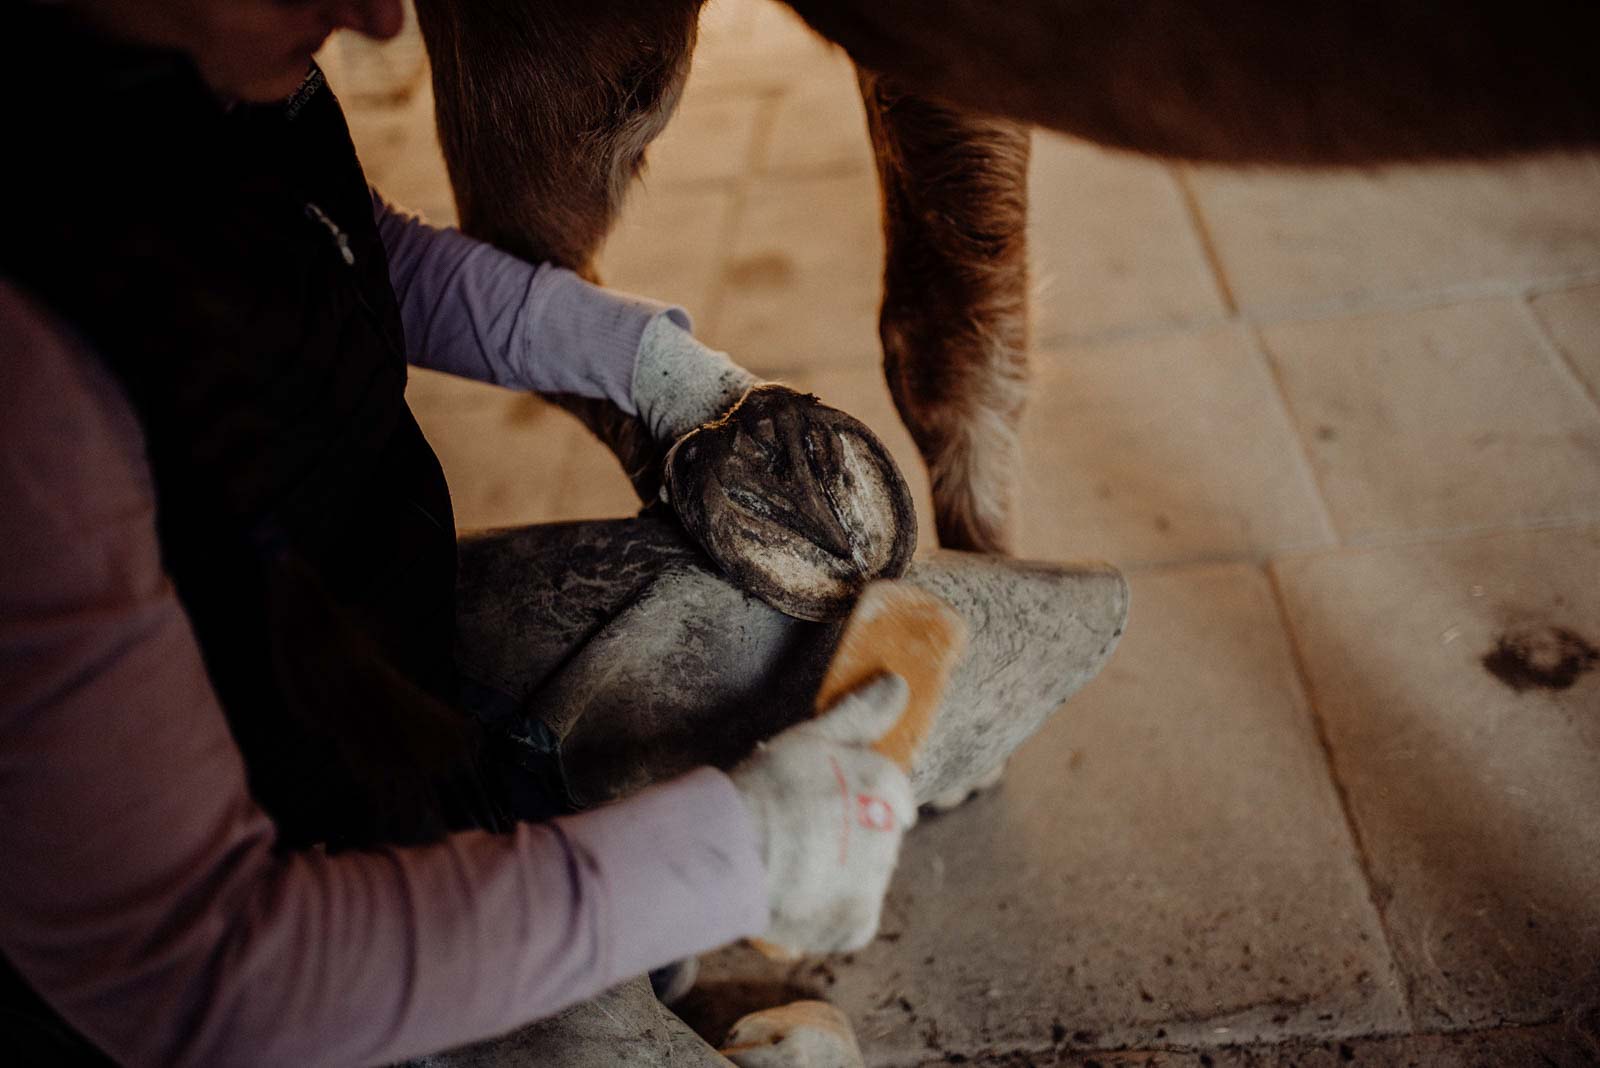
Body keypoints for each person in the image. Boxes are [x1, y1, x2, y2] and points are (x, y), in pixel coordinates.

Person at [0, 1, 920, 1064]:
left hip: (357, 696)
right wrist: (735, 854)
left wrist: (647, 373)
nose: (384, 21)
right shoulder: (25, 382)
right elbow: (199, 976)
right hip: (241, 974)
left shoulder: (184, 51)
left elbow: (340, 233)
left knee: (782, 632)